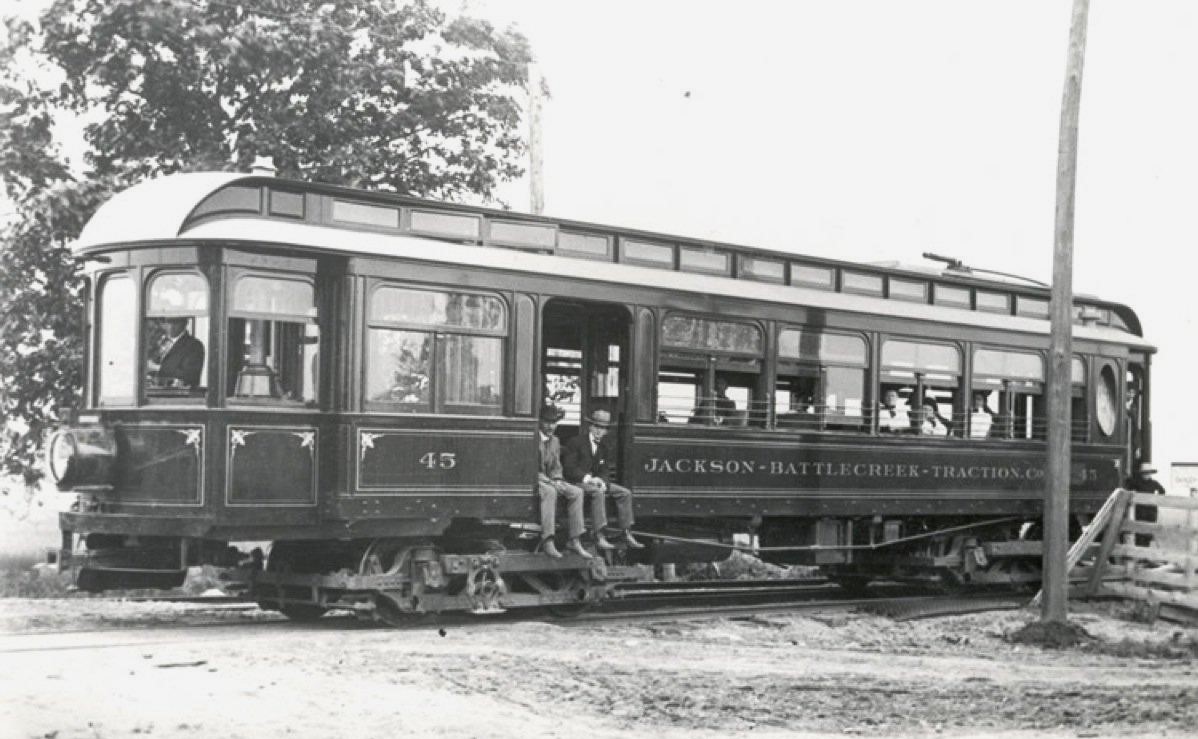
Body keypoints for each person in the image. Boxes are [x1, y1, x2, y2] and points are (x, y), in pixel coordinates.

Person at [561, 409, 643, 550]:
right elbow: (569, 469)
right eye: (597, 427)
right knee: (598, 492)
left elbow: (604, 469)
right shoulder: (576, 442)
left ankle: (626, 532)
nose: (600, 431)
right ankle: (599, 534)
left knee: (625, 493)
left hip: (595, 482)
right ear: (590, 427)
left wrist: (603, 481)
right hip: (577, 482)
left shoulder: (604, 446)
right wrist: (589, 479)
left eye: (604, 428)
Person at [534, 404, 590, 559]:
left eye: (553, 422)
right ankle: (548, 540)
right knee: (550, 492)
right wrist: (550, 482)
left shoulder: (555, 441)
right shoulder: (532, 438)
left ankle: (575, 539)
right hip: (536, 480)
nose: (550, 426)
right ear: (540, 422)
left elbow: (556, 466)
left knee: (577, 492)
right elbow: (531, 468)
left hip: (551, 479)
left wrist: (557, 479)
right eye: (546, 422)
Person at [148, 317, 205, 388]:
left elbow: (189, 375)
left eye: (175, 322)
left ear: (185, 323)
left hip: (180, 396)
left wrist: (157, 368)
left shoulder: (194, 345)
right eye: (168, 322)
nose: (171, 326)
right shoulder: (161, 342)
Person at [1126, 461, 1166, 548]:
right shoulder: (1137, 483)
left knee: (1149, 532)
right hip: (1140, 511)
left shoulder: (1154, 483)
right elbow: (1128, 488)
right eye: (1144, 473)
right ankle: (1139, 555)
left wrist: (1156, 498)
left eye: (1148, 473)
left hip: (1151, 511)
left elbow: (1162, 491)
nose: (1146, 475)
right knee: (1140, 531)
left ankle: (1145, 554)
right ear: (1141, 474)